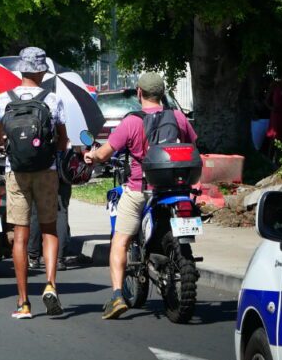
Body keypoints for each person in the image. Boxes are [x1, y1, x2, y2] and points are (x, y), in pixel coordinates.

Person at [83, 70, 197, 319]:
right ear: (162, 94)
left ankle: (116, 296)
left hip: (140, 191)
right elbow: (193, 143)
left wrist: (91, 155)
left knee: (119, 241)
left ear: (139, 93)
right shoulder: (177, 116)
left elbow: (104, 153)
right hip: (176, 190)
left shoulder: (132, 121)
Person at [0, 47, 67, 320]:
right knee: (48, 229)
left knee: (20, 234)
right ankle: (51, 285)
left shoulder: (3, 100)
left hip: (15, 172)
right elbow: (62, 140)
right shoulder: (53, 100)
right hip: (47, 170)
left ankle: (23, 302)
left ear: (20, 69)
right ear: (42, 71)